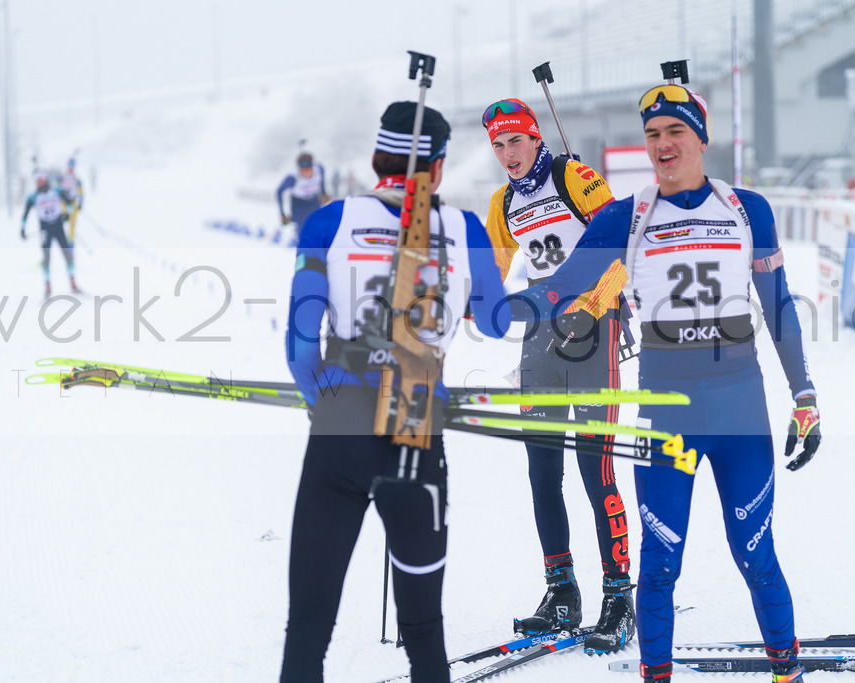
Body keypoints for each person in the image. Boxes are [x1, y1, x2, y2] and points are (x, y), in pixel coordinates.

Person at [503, 81, 821, 683]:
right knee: (659, 567)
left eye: (675, 131)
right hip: (665, 415)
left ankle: (788, 673)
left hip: (740, 413)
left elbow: (779, 310)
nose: (663, 144)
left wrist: (803, 396)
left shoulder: (746, 208)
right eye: (652, 135)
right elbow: (559, 283)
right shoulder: (628, 216)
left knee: (756, 556)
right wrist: (495, 306)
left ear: (701, 138)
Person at [280, 101, 511, 683]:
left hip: (338, 429)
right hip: (416, 429)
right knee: (424, 633)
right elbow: (496, 321)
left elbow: (302, 341)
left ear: (379, 156)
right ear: (435, 168)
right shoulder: (464, 229)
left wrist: (321, 397)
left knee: (308, 628)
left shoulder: (328, 222)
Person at [480, 98, 638, 654]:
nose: (508, 155)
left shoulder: (572, 175)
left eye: (516, 141)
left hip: (594, 330)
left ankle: (619, 596)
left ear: (534, 136)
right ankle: (562, 592)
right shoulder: (503, 202)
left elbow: (621, 242)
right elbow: (491, 273)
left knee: (595, 469)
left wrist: (592, 306)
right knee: (542, 471)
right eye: (498, 146)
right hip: (541, 334)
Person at [20, 170, 79, 297]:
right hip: (45, 228)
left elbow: (70, 201)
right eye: (37, 181)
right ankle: (47, 287)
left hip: (58, 226)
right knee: (46, 258)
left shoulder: (55, 191)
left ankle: (73, 283)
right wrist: (22, 228)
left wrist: (67, 214)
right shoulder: (33, 196)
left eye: (41, 180)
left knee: (67, 255)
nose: (40, 182)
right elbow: (25, 213)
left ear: (45, 179)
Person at [276, 151, 329, 245]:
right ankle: (303, 252)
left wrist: (323, 193)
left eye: (309, 169)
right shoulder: (292, 178)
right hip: (298, 204)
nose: (307, 173)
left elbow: (322, 180)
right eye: (303, 170)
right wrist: (282, 214)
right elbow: (279, 191)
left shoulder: (319, 169)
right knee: (303, 230)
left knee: (317, 227)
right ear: (299, 168)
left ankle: (319, 252)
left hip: (313, 200)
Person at [59, 157, 84, 247]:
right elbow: (56, 188)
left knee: (72, 226)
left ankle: (71, 247)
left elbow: (81, 192)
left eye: (72, 166)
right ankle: (62, 243)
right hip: (63, 204)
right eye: (69, 165)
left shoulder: (76, 178)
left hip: (73, 203)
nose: (71, 167)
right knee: (61, 224)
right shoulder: (62, 176)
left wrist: (80, 203)